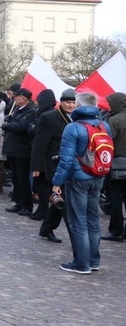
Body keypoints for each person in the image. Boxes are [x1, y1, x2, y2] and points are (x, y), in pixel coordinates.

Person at [52, 92, 111, 274]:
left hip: (78, 179)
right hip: (98, 176)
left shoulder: (73, 127)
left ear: (79, 105)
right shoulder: (104, 125)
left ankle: (81, 264)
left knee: (78, 221)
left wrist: (57, 182)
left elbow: (66, 159)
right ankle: (93, 261)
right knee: (93, 221)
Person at [32, 88, 76, 243]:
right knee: (65, 203)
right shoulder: (49, 118)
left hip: (71, 166)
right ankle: (76, 240)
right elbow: (40, 144)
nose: (71, 106)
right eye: (68, 103)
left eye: (73, 102)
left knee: (60, 202)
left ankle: (46, 229)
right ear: (61, 103)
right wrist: (36, 167)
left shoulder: (77, 118)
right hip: (54, 166)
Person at [2, 88, 38, 216]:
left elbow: (21, 127)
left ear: (23, 98)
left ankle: (27, 205)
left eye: (17, 97)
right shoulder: (18, 109)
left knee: (23, 179)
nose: (14, 98)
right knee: (16, 178)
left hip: (22, 149)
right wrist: (9, 119)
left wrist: (7, 125)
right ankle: (18, 202)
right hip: (14, 148)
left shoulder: (31, 112)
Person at [28, 89, 59, 221]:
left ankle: (43, 211)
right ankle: (43, 210)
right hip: (48, 155)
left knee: (42, 185)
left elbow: (35, 133)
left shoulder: (47, 116)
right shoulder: (51, 114)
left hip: (45, 156)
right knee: (43, 185)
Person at [102, 92, 126, 241]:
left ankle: (116, 230)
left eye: (110, 104)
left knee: (115, 198)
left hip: (116, 165)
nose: (108, 107)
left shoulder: (114, 121)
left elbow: (106, 142)